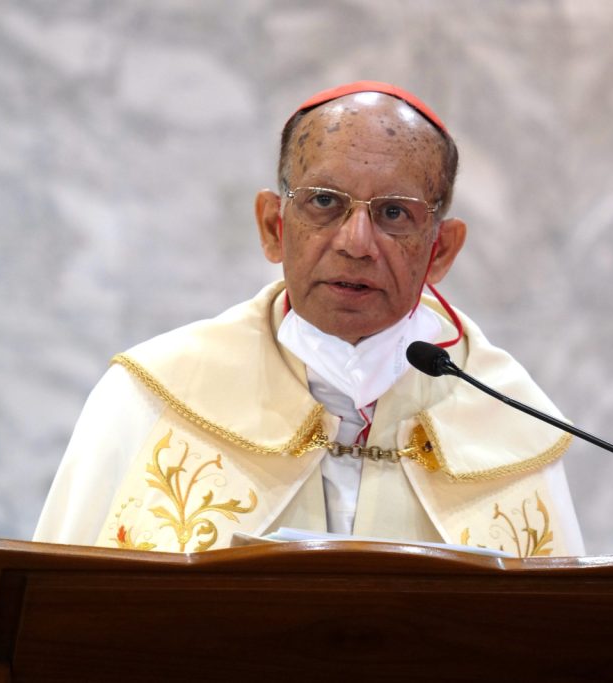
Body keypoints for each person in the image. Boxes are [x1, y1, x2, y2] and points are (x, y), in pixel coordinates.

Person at [34, 81, 584, 557]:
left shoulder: (508, 422)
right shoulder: (153, 398)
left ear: (440, 249)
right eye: (324, 202)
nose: (356, 243)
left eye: (394, 213)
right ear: (274, 226)